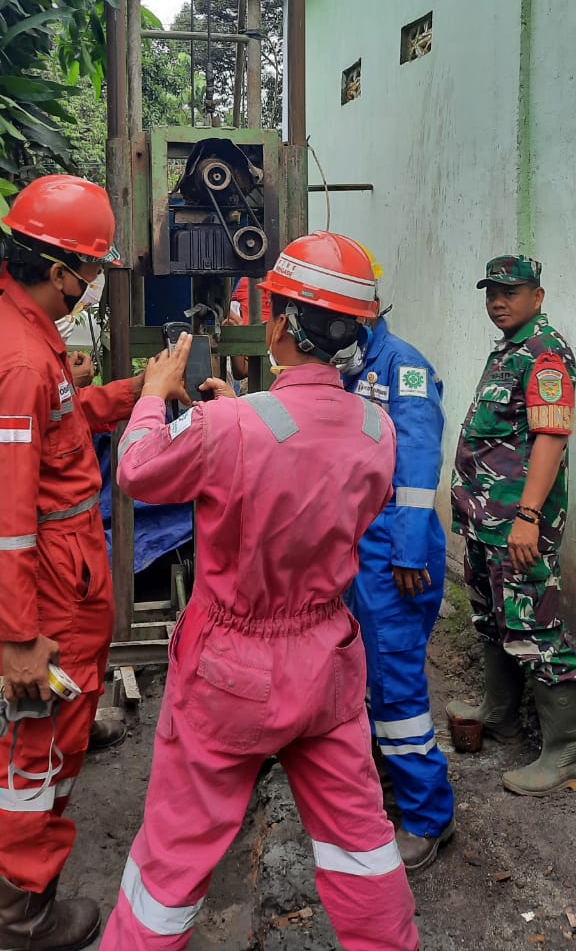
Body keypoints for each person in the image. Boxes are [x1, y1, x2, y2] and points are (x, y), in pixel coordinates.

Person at [100, 231, 419, 951]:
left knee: (174, 859)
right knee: (360, 845)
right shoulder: (378, 427)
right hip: (328, 660)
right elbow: (314, 474)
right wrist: (235, 413)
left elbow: (139, 471)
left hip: (229, 671)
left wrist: (154, 399)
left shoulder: (227, 427)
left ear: (276, 321)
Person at [0, 174, 145, 950]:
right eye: (88, 277)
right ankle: (23, 918)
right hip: (46, 586)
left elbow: (62, 422)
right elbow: (7, 520)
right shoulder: (22, 357)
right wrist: (19, 638)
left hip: (61, 570)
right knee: (33, 744)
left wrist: (132, 392)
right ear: (59, 272)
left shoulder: (25, 334)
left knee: (44, 734)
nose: (88, 291)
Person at [340, 260, 454, 872]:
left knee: (397, 687)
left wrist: (409, 549)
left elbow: (416, 459)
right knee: (366, 677)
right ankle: (389, 782)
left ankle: (428, 818)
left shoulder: (401, 365)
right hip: (360, 546)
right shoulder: (350, 365)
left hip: (394, 551)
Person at [448, 255, 576, 795]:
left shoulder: (546, 354)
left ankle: (564, 753)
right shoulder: (511, 349)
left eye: (512, 292)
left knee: (536, 628)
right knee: (493, 616)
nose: (498, 301)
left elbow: (551, 437)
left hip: (517, 523)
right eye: (492, 292)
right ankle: (499, 713)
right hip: (488, 520)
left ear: (537, 297)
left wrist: (526, 517)